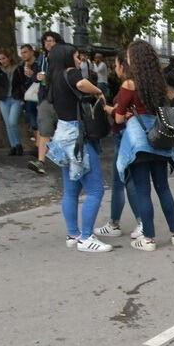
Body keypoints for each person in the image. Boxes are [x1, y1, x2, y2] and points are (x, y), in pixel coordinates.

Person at [45, 43, 112, 252]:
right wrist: (99, 91)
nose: (79, 59)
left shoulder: (53, 77)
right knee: (95, 189)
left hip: (62, 134)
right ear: (67, 57)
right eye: (76, 55)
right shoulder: (70, 72)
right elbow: (83, 84)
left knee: (71, 189)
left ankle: (73, 233)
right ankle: (86, 237)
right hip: (77, 136)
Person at [115, 39, 174, 252]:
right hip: (160, 137)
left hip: (140, 143)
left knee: (143, 191)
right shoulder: (159, 83)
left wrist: (125, 113)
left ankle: (149, 238)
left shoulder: (129, 84)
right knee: (163, 189)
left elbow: (117, 119)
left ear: (133, 59)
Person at [93, 50, 142, 240]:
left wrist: (108, 108)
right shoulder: (143, 83)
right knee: (121, 180)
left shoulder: (127, 84)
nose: (114, 68)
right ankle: (115, 222)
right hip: (130, 135)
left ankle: (139, 222)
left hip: (124, 135)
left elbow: (120, 116)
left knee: (125, 180)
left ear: (123, 64)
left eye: (115, 64)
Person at [28, 31, 64, 175]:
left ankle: (65, 160)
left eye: (51, 40)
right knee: (44, 129)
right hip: (45, 98)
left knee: (64, 131)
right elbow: (34, 78)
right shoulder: (42, 58)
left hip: (61, 99)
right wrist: (36, 76)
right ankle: (40, 161)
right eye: (46, 41)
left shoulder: (63, 58)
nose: (48, 43)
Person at [0, 49, 26, 156]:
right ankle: (13, 146)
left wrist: (23, 99)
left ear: (9, 58)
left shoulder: (18, 68)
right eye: (0, 59)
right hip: (4, 100)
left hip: (16, 99)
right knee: (8, 124)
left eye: (4, 58)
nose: (2, 61)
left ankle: (19, 144)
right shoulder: (0, 71)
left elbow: (24, 83)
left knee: (12, 122)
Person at [20, 44, 41, 144]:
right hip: (29, 97)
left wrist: (32, 74)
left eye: (25, 52)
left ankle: (41, 143)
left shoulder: (39, 64)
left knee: (40, 119)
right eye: (22, 53)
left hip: (40, 95)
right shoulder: (22, 66)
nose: (23, 55)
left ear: (32, 52)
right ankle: (38, 142)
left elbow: (41, 79)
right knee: (32, 118)